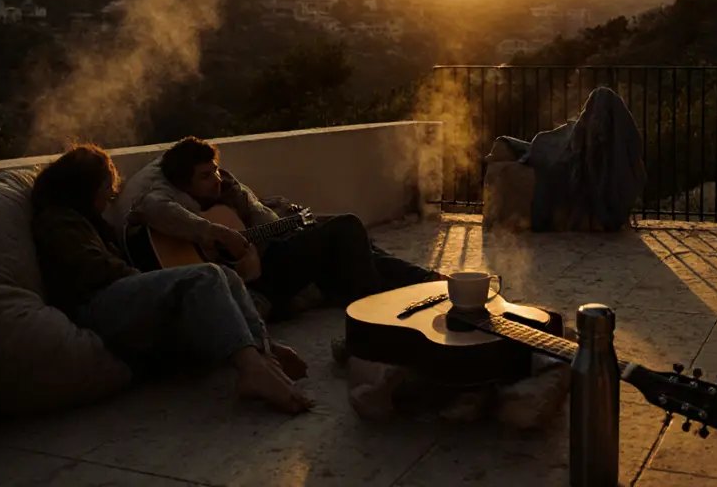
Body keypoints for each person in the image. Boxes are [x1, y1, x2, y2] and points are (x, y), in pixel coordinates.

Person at [30, 145, 313, 414]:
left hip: (114, 295)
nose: (109, 198)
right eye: (106, 189)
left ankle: (264, 351)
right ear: (84, 187)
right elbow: (92, 269)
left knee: (225, 274)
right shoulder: (58, 220)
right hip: (96, 304)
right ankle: (252, 371)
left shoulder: (88, 219)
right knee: (206, 275)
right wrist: (149, 280)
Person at [112, 136, 444, 320]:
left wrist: (265, 230)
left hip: (271, 256)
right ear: (185, 181)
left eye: (214, 170)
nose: (215, 179)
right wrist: (214, 233)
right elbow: (151, 209)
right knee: (348, 225)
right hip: (262, 278)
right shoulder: (166, 196)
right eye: (204, 176)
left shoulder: (225, 193)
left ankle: (426, 281)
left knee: (354, 245)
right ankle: (372, 321)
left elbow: (261, 221)